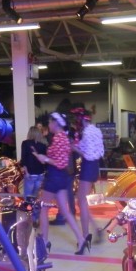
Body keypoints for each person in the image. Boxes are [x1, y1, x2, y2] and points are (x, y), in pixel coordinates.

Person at [32, 112, 88, 254]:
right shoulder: (64, 137)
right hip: (61, 178)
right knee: (65, 211)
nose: (49, 124)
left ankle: (44, 242)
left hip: (54, 177)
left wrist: (44, 158)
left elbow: (60, 163)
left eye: (50, 122)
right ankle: (81, 239)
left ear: (56, 123)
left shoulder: (58, 139)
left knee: (43, 209)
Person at [71, 107, 104, 243]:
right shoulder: (96, 130)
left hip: (88, 166)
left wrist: (74, 148)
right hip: (94, 166)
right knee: (81, 201)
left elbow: (87, 154)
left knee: (81, 201)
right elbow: (99, 152)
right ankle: (95, 229)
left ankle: (86, 235)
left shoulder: (86, 132)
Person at [19, 126, 47, 198]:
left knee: (28, 196)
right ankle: (34, 205)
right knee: (35, 196)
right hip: (40, 173)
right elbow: (45, 160)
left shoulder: (25, 143)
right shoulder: (43, 145)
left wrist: (26, 172)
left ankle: (28, 205)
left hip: (30, 173)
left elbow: (24, 159)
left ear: (30, 133)